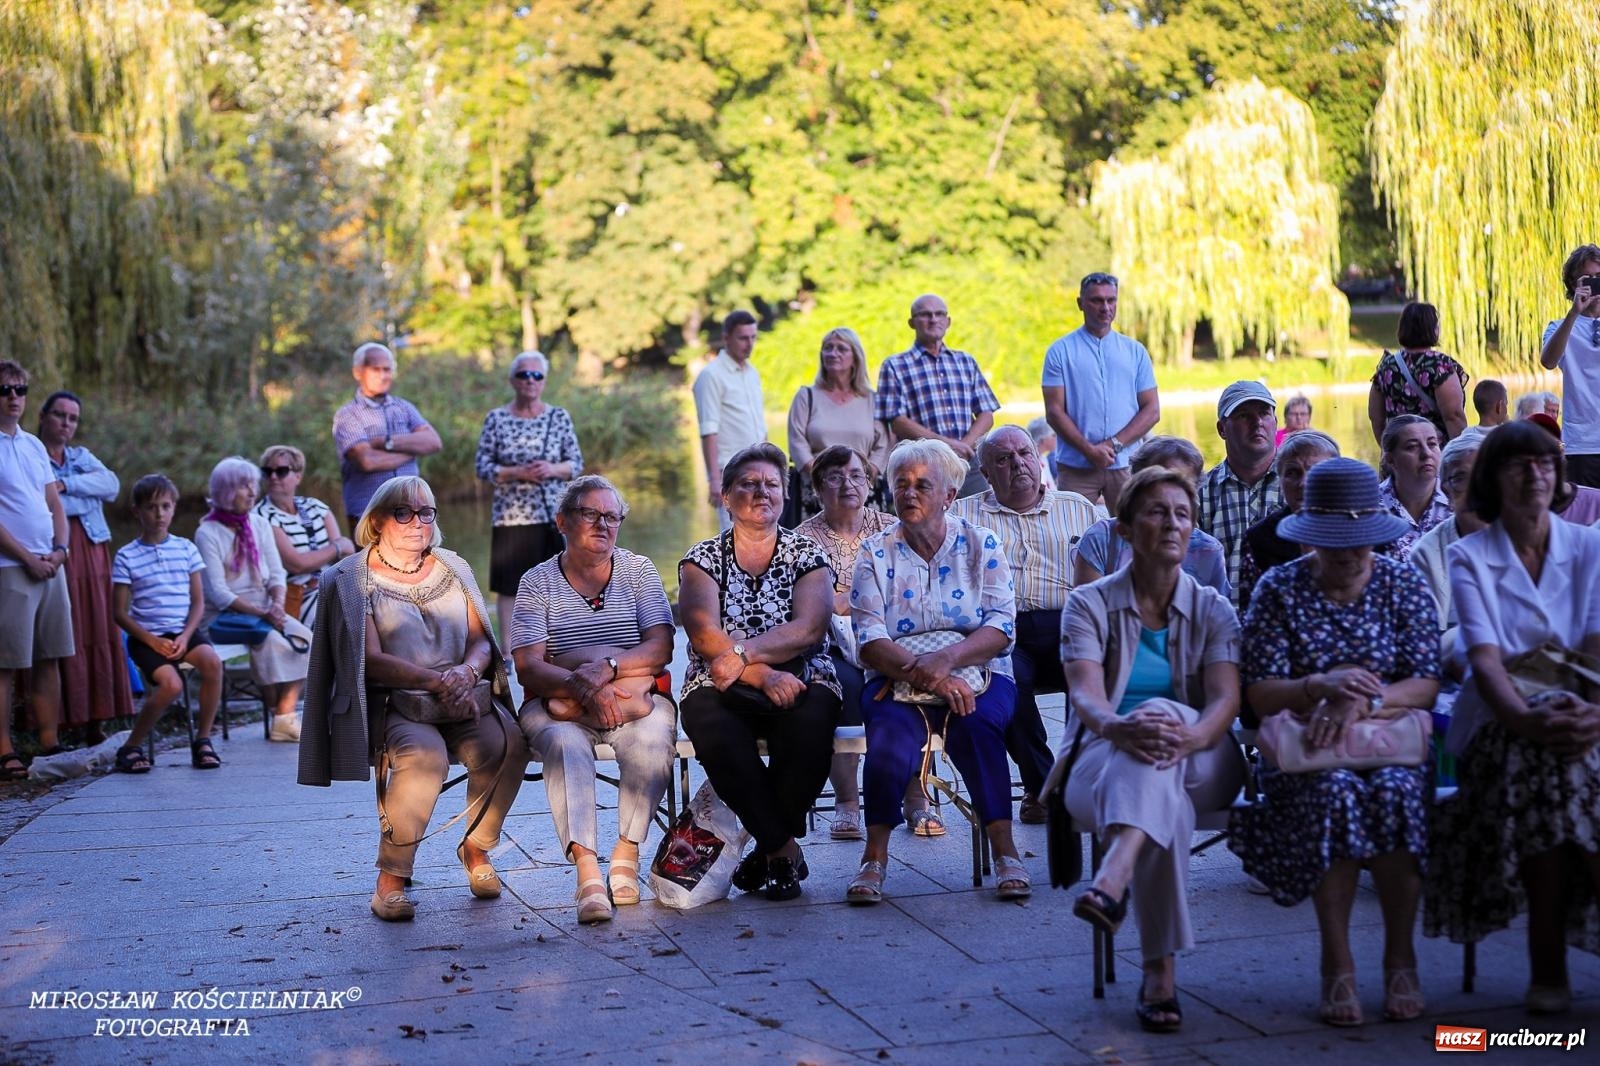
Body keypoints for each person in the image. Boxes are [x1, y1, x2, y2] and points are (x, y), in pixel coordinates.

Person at [1229, 457, 1441, 1027]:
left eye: (1360, 541)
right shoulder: (1279, 589)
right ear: (1310, 537)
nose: (1349, 554)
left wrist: (1364, 701)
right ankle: (1337, 959)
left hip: (1387, 740)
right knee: (1334, 793)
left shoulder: (1401, 582)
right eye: (1334, 542)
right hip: (1308, 750)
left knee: (1396, 793)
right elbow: (1261, 693)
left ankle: (1401, 956)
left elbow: (1425, 681)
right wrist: (1319, 686)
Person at [1062, 466, 1246, 1033]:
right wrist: (1119, 728)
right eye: (1157, 512)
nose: (1172, 523)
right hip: (1102, 757)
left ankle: (1113, 876)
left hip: (1205, 756)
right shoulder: (1088, 603)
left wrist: (1189, 734)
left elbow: (1225, 700)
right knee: (1159, 786)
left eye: (1182, 514)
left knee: (1162, 719)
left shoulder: (1213, 607)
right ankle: (1159, 975)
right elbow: (1086, 696)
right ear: (1123, 529)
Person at [1424, 422, 1600, 1015]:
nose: (1534, 474)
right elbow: (1486, 661)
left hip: (1585, 715)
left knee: (1559, 780)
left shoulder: (1590, 548)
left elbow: (1597, 649)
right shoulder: (1469, 557)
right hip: (1503, 726)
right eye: (1517, 464)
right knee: (1549, 770)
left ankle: (1548, 968)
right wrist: (1530, 721)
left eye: (1545, 462)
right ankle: (1548, 965)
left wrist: (1592, 719)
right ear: (1492, 481)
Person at [298, 476, 529, 921]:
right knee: (425, 758)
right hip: (399, 702)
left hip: (462, 693)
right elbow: (370, 660)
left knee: (510, 743)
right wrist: (436, 681)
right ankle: (390, 879)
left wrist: (465, 672)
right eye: (403, 512)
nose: (417, 522)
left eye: (425, 512)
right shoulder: (354, 578)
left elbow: (482, 640)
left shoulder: (451, 566)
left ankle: (477, 848)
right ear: (377, 521)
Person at [846, 439, 1028, 904]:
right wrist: (930, 676)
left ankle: (1005, 851)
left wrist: (948, 661)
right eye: (901, 484)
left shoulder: (980, 542)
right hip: (895, 675)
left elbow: (1002, 626)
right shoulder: (875, 552)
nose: (909, 493)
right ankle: (873, 857)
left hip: (979, 671)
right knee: (889, 734)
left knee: (978, 726)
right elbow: (869, 638)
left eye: (922, 485)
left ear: (948, 495)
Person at [510, 476, 676, 925]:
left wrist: (606, 668)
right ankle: (587, 872)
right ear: (563, 521)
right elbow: (528, 666)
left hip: (632, 694)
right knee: (564, 743)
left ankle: (626, 851)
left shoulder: (638, 571)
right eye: (590, 514)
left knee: (653, 736)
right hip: (558, 701)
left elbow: (661, 647)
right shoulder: (537, 581)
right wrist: (582, 685)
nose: (603, 524)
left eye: (612, 516)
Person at [677, 443, 840, 901]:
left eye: (771, 484)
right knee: (714, 728)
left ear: (784, 495)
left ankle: (765, 853)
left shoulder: (806, 553)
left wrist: (743, 653)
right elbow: (703, 633)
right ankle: (783, 850)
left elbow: (809, 628)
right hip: (716, 677)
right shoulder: (702, 558)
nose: (761, 492)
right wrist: (763, 675)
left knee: (810, 726)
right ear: (726, 496)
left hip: (805, 671)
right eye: (748, 484)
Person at [951, 426, 1101, 823]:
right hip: (1001, 629)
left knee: (1099, 676)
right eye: (1003, 459)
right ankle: (1047, 787)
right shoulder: (962, 517)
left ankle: (1072, 782)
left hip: (1070, 623)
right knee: (1005, 683)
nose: (1017, 464)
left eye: (1024, 454)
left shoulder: (1078, 508)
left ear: (1038, 458)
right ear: (986, 472)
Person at [794, 445, 899, 840]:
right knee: (845, 688)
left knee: (899, 686)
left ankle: (915, 795)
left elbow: (905, 589)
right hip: (831, 646)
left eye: (856, 476)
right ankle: (847, 802)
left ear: (869, 483)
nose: (848, 485)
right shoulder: (802, 539)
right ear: (818, 488)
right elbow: (808, 605)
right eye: (835, 478)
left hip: (890, 637)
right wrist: (856, 598)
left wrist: (845, 598)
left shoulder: (892, 528)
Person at [194, 456, 313, 742]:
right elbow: (218, 593)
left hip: (265, 609)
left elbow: (277, 573)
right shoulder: (207, 532)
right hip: (224, 616)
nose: (251, 493)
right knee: (271, 642)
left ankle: (282, 714)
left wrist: (276, 604)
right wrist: (264, 614)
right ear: (225, 491)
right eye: (243, 487)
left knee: (308, 640)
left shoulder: (259, 524)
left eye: (252, 486)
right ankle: (281, 717)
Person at [36, 390, 132, 742]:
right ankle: (61, 722)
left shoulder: (80, 457)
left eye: (73, 418)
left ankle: (97, 718)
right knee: (66, 629)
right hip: (56, 549)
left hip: (93, 548)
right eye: (59, 415)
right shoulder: (30, 454)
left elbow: (111, 485)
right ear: (43, 416)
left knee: (97, 627)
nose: (66, 423)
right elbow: (40, 501)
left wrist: (66, 484)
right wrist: (78, 495)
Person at [111, 475, 224, 773]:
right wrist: (152, 641)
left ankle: (202, 741)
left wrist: (185, 637)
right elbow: (119, 613)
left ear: (174, 508)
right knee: (171, 685)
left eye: (165, 506)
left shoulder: (186, 549)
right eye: (151, 507)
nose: (159, 514)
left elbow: (198, 603)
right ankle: (131, 747)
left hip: (183, 633)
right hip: (146, 638)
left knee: (213, 663)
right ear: (137, 511)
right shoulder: (126, 556)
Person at [475, 350, 584, 637]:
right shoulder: (496, 418)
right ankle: (510, 650)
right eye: (524, 374)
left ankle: (560, 643)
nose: (530, 380)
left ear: (544, 381)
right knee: (510, 586)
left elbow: (575, 464)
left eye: (537, 375)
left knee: (561, 583)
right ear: (513, 380)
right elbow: (482, 466)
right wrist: (516, 473)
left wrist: (551, 468)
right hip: (512, 517)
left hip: (554, 515)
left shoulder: (558, 417)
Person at [0, 360, 72, 779]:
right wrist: (28, 558)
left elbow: (54, 504)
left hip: (50, 565)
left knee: (50, 656)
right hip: (11, 565)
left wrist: (60, 550)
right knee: (5, 663)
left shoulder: (32, 445)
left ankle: (49, 741)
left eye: (20, 389)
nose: (13, 397)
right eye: (4, 390)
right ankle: (4, 749)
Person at [1041, 272, 1161, 507]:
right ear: (1080, 303)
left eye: (1111, 300)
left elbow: (1152, 410)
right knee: (1073, 527)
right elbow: (1054, 412)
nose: (1105, 307)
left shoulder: (1135, 351)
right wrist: (1089, 450)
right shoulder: (1060, 352)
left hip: (1126, 464)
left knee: (1132, 527)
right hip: (1076, 467)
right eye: (1096, 300)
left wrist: (1114, 444)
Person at [875, 294, 1001, 499]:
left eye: (939, 314)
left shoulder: (965, 361)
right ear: (911, 323)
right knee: (927, 517)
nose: (933, 319)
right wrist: (947, 446)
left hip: (969, 463)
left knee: (980, 512)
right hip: (921, 465)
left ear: (948, 321)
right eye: (925, 314)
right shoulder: (895, 365)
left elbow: (986, 414)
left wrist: (964, 446)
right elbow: (897, 422)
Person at [1072, 436, 1230, 597]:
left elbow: (1217, 610)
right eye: (1159, 483)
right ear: (1135, 485)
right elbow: (1086, 606)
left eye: (1182, 486)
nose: (1170, 493)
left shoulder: (1209, 550)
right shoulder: (1102, 538)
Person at [332, 341, 442, 527]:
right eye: (376, 369)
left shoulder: (404, 408)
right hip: (370, 514)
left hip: (412, 511)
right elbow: (368, 461)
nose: (383, 376)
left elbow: (434, 442)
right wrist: (412, 451)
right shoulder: (348, 415)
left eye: (387, 369)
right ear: (358, 372)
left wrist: (385, 442)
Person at [786, 328, 891, 521]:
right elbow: (796, 441)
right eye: (828, 348)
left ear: (855, 358)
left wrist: (863, 476)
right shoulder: (806, 396)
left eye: (841, 348)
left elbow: (883, 443)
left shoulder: (872, 399)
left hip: (863, 490)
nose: (833, 353)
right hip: (816, 490)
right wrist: (823, 477)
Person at [1198, 381, 1283, 611]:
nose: (1257, 422)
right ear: (1222, 429)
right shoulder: (1201, 494)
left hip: (1286, 622)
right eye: (1244, 415)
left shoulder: (1298, 485)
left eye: (1264, 413)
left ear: (1276, 422)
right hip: (1221, 621)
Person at [1236, 431, 1342, 617]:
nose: (1303, 483)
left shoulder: (1365, 530)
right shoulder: (1259, 539)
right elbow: (1251, 613)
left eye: (1315, 471)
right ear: (1280, 481)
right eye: (1292, 473)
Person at [1408, 432, 1487, 673]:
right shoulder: (1426, 554)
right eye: (1461, 478)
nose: (1476, 488)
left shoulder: (1524, 538)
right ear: (1447, 491)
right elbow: (1427, 643)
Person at [255, 444, 355, 629]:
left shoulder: (316, 507)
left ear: (298, 476)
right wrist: (336, 548)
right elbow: (297, 564)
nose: (273, 477)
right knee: (344, 615)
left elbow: (345, 558)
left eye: (281, 471)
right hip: (296, 597)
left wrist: (336, 552)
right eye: (267, 472)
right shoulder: (261, 516)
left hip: (331, 586)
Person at [692, 310, 766, 531]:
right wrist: (714, 480)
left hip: (759, 470)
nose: (749, 344)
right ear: (726, 338)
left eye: (753, 337)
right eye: (743, 338)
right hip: (731, 473)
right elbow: (709, 430)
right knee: (736, 535)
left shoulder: (752, 373)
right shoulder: (711, 376)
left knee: (763, 535)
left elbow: (759, 424)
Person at [1540, 243, 1600, 488]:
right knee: (1584, 510)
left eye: (1599, 276)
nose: (1595, 283)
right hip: (1581, 444)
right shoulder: (1559, 327)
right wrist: (1574, 313)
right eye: (1588, 278)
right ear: (1574, 284)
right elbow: (1548, 361)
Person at [1368, 301, 1469, 445]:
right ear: (1432, 329)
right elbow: (1454, 416)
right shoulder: (1440, 365)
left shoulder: (1387, 365)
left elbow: (1376, 417)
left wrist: (1388, 449)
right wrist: (1462, 452)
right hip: (1434, 452)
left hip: (1399, 452)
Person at [1376, 414, 1450, 561]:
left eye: (1432, 444)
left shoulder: (1457, 499)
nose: (1426, 454)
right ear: (1390, 459)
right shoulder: (1372, 507)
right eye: (1412, 447)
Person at [1026, 416, 1058, 483]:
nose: (1056, 438)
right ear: (1043, 439)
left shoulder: (1043, 458)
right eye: (1053, 435)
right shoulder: (1030, 463)